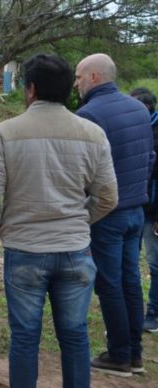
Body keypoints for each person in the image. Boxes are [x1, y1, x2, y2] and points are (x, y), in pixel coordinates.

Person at [0, 54, 118, 387]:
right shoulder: (93, 134)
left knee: (25, 336)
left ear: (30, 89)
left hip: (24, 248)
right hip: (75, 249)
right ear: (70, 87)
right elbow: (108, 197)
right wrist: (82, 221)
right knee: (75, 334)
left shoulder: (6, 133)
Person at [74, 53, 154, 377]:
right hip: (136, 209)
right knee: (131, 282)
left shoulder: (89, 115)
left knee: (109, 285)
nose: (75, 83)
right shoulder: (139, 108)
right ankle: (134, 354)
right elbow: (150, 158)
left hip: (107, 213)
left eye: (78, 77)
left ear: (94, 77)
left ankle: (120, 354)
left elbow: (83, 173)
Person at [130, 87, 158, 334]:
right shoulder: (139, 130)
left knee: (154, 263)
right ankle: (134, 315)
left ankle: (154, 314)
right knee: (130, 264)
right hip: (136, 205)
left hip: (153, 211)